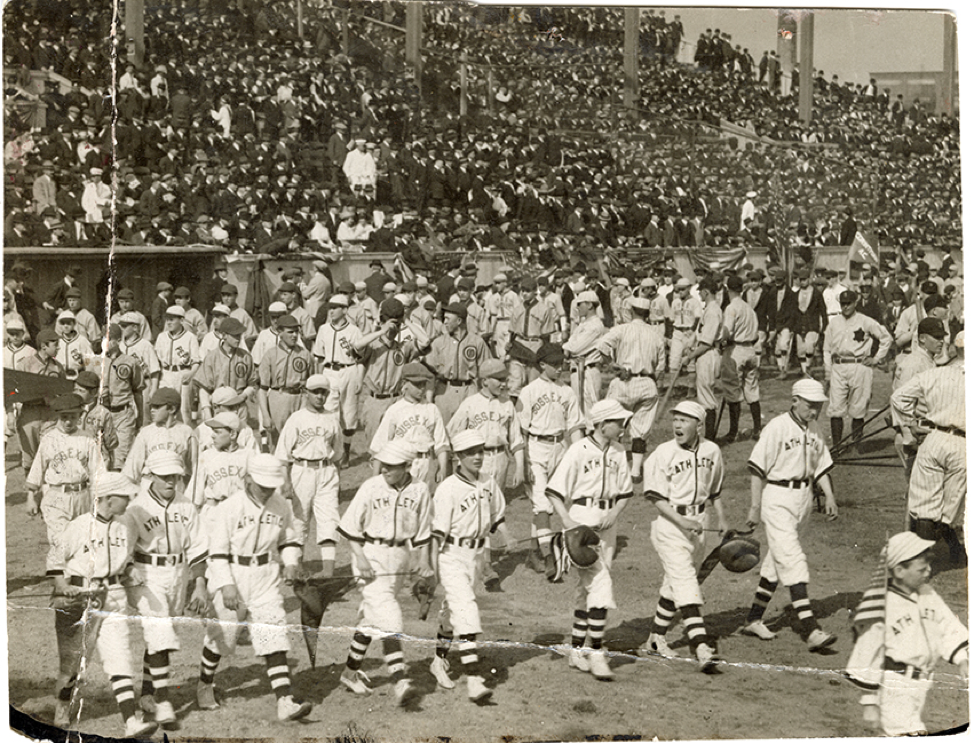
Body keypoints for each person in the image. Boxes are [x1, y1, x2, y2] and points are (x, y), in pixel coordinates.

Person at [195, 454, 312, 721]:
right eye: (262, 485)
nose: (268, 490)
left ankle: (284, 701)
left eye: (272, 486)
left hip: (265, 574)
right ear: (247, 480)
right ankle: (204, 684)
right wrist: (226, 585)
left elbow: (288, 540)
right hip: (233, 571)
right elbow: (217, 551)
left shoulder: (281, 504)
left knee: (273, 631)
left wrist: (291, 563)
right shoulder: (229, 507)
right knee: (222, 636)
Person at [48, 471, 157, 737]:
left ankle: (131, 721)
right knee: (73, 664)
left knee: (120, 656)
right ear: (108, 499)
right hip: (80, 598)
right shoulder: (78, 526)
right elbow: (55, 561)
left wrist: (130, 571)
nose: (129, 501)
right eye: (124, 497)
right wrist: (63, 587)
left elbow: (126, 559)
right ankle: (62, 705)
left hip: (114, 596)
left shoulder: (126, 525)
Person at [741, 379, 838, 652]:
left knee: (778, 559)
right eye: (810, 405)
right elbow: (757, 468)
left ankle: (753, 619)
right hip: (778, 497)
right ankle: (811, 629)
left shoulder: (814, 427)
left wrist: (828, 495)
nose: (815, 411)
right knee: (793, 559)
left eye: (818, 406)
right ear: (795, 400)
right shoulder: (777, 427)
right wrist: (755, 506)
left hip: (804, 499)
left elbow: (820, 466)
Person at [336, 440, 433, 705]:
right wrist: (360, 558)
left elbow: (424, 531)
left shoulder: (420, 489)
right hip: (371, 556)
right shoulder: (371, 486)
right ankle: (400, 680)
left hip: (399, 558)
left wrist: (423, 561)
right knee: (389, 616)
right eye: (384, 465)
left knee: (372, 618)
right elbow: (349, 528)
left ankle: (349, 673)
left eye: (392, 466)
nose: (385, 470)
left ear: (408, 466)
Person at [545, 399, 634, 681]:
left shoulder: (619, 450)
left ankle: (576, 650)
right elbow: (554, 492)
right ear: (601, 424)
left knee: (587, 590)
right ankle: (596, 651)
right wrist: (569, 523)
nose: (622, 426)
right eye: (617, 421)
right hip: (582, 522)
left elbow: (624, 493)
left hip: (608, 524)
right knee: (601, 584)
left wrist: (615, 512)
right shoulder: (578, 449)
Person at [845, 532, 968, 736]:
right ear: (900, 570)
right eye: (921, 568)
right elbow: (868, 653)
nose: (928, 571)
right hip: (894, 686)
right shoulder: (882, 606)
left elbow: (946, 626)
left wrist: (962, 659)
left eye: (928, 565)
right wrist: (869, 703)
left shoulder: (927, 593)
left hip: (922, 685)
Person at [638, 400, 726, 671]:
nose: (677, 424)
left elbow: (714, 490)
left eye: (684, 420)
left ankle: (655, 639)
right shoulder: (662, 454)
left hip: (700, 522)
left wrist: (722, 517)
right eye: (675, 419)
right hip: (670, 524)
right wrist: (682, 521)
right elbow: (655, 497)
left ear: (699, 425)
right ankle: (700, 645)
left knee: (675, 583)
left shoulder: (712, 450)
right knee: (686, 581)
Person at [126, 450, 209, 730]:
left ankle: (147, 694)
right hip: (146, 574)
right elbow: (121, 547)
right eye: (164, 477)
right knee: (161, 631)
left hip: (177, 574)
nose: (171, 481)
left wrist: (199, 584)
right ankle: (163, 702)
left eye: (175, 476)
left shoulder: (186, 505)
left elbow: (198, 548)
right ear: (150, 476)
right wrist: (127, 568)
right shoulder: (136, 508)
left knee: (159, 635)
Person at [430, 430, 509, 702]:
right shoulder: (448, 488)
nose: (477, 457)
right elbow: (437, 533)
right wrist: (429, 567)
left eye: (481, 451)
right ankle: (474, 679)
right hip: (451, 554)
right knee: (466, 609)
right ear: (458, 457)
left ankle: (438, 659)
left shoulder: (488, 482)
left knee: (453, 612)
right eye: (470, 453)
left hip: (476, 555)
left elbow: (498, 514)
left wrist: (505, 536)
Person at [890, 331, 966, 566]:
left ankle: (921, 564)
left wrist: (911, 422)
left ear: (955, 349)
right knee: (951, 509)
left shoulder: (935, 373)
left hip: (933, 438)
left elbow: (898, 398)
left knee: (925, 505)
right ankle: (953, 551)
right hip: (963, 444)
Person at [517, 343, 584, 574]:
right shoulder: (529, 391)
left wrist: (580, 453)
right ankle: (548, 558)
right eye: (554, 364)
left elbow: (575, 425)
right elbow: (522, 431)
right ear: (542, 364)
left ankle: (534, 552)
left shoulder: (567, 390)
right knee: (542, 504)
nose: (559, 368)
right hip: (536, 447)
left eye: (561, 364)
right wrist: (523, 460)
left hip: (560, 448)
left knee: (552, 502)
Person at [26, 393, 102, 575]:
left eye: (73, 417)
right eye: (64, 417)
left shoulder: (87, 439)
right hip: (56, 496)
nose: (69, 422)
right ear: (58, 416)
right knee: (59, 540)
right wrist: (31, 497)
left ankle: (76, 581)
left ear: (79, 416)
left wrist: (99, 497)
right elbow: (37, 468)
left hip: (82, 494)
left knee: (82, 539)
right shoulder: (49, 439)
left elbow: (97, 471)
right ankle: (59, 586)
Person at [274, 374, 341, 577]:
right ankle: (296, 566)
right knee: (298, 519)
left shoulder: (332, 418)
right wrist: (286, 483)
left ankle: (328, 570)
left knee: (329, 518)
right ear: (306, 393)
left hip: (326, 470)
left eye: (324, 392)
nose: (320, 396)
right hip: (301, 470)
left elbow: (337, 453)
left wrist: (337, 478)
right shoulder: (296, 419)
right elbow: (283, 455)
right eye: (316, 392)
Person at [822, 290, 892, 448]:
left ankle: (856, 443)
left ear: (855, 303)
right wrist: (828, 371)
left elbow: (886, 338)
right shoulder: (834, 323)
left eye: (849, 303)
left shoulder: (865, 321)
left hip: (860, 366)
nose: (845, 306)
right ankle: (837, 445)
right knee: (835, 408)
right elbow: (826, 349)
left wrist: (876, 359)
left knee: (858, 407)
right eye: (843, 303)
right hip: (839, 366)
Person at [370, 362, 449, 491]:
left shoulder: (432, 409)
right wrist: (375, 480)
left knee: (425, 504)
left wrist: (443, 470)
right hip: (403, 464)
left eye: (424, 384)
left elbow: (442, 445)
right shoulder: (395, 410)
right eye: (417, 385)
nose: (422, 388)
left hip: (426, 463)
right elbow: (379, 446)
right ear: (405, 384)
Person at [890, 317, 945, 479]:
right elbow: (898, 399)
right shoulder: (914, 363)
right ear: (922, 338)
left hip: (923, 432)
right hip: (913, 436)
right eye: (936, 337)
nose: (941, 341)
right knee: (918, 486)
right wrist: (909, 433)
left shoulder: (927, 360)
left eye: (942, 337)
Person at [311, 294, 363, 467]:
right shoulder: (324, 329)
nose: (331, 310)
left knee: (348, 414)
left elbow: (359, 356)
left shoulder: (354, 331)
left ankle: (346, 453)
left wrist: (359, 378)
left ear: (345, 310)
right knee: (328, 413)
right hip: (329, 371)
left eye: (335, 307)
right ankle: (329, 451)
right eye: (330, 307)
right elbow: (318, 356)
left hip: (349, 370)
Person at [428, 303, 491, 425]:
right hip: (445, 391)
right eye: (444, 318)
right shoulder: (438, 342)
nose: (444, 322)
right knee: (444, 433)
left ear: (459, 321)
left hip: (469, 389)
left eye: (447, 319)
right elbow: (430, 373)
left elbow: (488, 370)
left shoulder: (477, 342)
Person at [122, 387, 195, 492]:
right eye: (151, 406)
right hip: (149, 486)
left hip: (176, 489)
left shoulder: (187, 432)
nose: (152, 410)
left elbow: (194, 470)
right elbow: (131, 469)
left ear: (172, 409)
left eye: (157, 407)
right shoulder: (146, 432)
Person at [719, 274, 761, 442]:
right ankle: (757, 428)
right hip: (751, 349)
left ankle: (733, 431)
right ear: (741, 289)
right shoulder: (749, 308)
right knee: (752, 391)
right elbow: (757, 335)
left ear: (728, 289)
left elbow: (727, 332)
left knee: (733, 391)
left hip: (736, 348)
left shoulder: (731, 307)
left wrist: (719, 341)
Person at [258, 314, 313, 440]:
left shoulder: (305, 354)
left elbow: (311, 383)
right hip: (278, 398)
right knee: (277, 442)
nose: (294, 335)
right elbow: (262, 389)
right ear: (280, 333)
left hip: (300, 399)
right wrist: (265, 416)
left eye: (296, 332)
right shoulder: (271, 355)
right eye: (290, 332)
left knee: (300, 440)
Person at [193, 317, 258, 422]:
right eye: (235, 335)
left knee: (240, 435)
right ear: (224, 335)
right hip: (219, 406)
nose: (239, 338)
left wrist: (244, 395)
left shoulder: (246, 357)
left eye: (240, 335)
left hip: (239, 405)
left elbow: (252, 384)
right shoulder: (212, 357)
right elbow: (204, 388)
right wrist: (206, 410)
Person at [684, 277, 723, 439]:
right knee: (705, 396)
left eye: (700, 291)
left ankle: (710, 438)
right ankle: (709, 436)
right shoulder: (710, 308)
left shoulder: (713, 311)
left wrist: (689, 357)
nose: (699, 293)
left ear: (706, 292)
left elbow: (707, 342)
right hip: (706, 353)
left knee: (707, 398)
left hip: (708, 354)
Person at [154, 304, 201, 425]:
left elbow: (196, 362)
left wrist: (190, 374)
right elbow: (156, 359)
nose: (168, 322)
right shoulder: (161, 337)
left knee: (184, 411)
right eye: (167, 319)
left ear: (181, 320)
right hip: (165, 374)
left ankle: (186, 438)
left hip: (183, 374)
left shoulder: (190, 337)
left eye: (172, 319)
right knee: (164, 406)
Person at [562, 290, 604, 421]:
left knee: (590, 413)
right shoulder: (584, 323)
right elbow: (570, 342)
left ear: (590, 305)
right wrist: (567, 348)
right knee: (578, 413)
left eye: (580, 304)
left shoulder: (595, 325)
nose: (577, 307)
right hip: (577, 369)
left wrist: (567, 348)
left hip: (588, 371)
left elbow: (574, 348)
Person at [73, 370, 119, 470]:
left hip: (98, 462)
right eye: (75, 390)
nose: (77, 394)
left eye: (81, 391)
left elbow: (111, 443)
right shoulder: (70, 411)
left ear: (94, 393)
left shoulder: (103, 413)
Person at [791, 268, 827, 378]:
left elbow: (823, 310)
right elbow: (793, 311)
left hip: (812, 324)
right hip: (799, 325)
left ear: (809, 279)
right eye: (800, 280)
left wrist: (825, 325)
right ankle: (805, 371)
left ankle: (808, 367)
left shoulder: (816, 294)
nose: (802, 282)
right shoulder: (796, 294)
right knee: (801, 350)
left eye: (804, 279)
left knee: (809, 346)